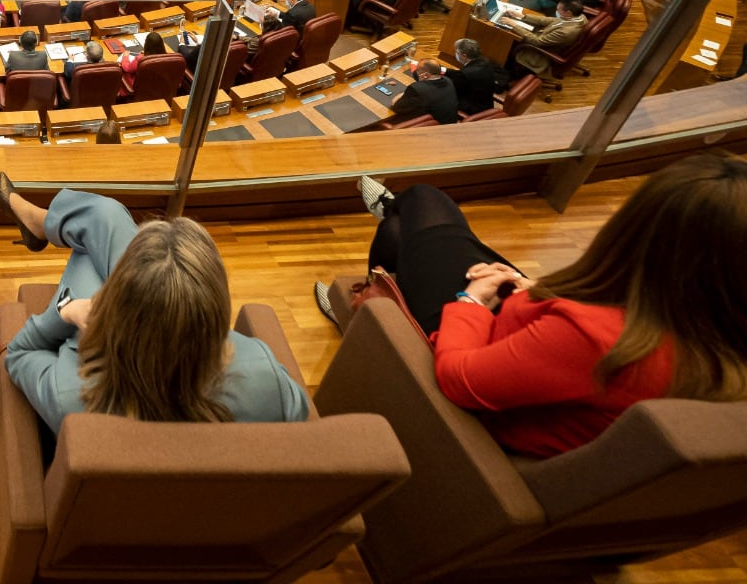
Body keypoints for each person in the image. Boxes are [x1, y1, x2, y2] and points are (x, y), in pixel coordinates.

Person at [314, 157, 747, 457]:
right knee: (413, 224)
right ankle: (383, 251)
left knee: (423, 203)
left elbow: (460, 380)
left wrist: (473, 301)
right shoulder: (714, 333)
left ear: (640, 233)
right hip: (530, 339)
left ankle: (364, 315)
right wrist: (537, 294)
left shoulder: (594, 339)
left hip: (470, 353)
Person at [0, 178, 309, 438]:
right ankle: (41, 223)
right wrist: (185, 317)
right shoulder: (266, 379)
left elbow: (18, 354)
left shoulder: (72, 395)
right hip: (177, 336)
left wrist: (66, 312)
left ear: (116, 312)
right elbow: (298, 423)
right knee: (107, 219)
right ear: (215, 310)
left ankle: (41, 225)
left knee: (97, 234)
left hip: (99, 357)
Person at [510, 0, 587, 80]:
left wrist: (514, 26)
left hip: (538, 54)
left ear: (568, 13)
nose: (556, 11)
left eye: (558, 10)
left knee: (511, 38)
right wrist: (523, 16)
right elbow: (552, 20)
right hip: (545, 37)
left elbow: (537, 42)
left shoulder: (565, 32)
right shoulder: (579, 17)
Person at [385, 58, 460, 125]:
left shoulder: (417, 89)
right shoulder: (448, 80)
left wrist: (403, 93)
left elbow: (396, 107)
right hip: (451, 122)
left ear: (425, 75)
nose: (415, 73)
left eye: (417, 70)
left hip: (433, 128)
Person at [446, 38, 502, 115]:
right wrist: (445, 71)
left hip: (472, 109)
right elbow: (464, 75)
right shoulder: (486, 62)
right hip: (486, 104)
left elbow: (453, 89)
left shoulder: (465, 74)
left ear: (464, 56)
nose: (455, 54)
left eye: (457, 52)